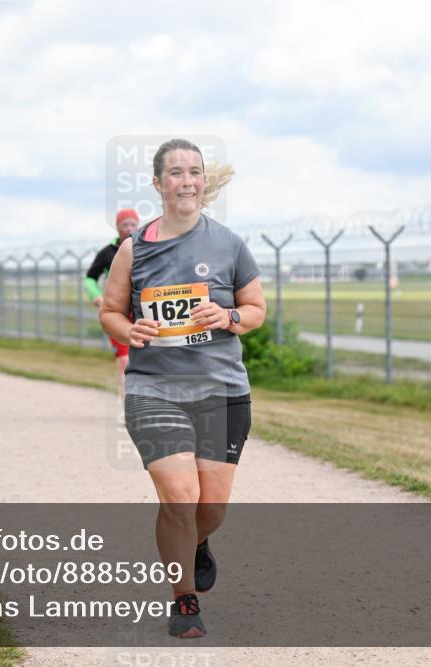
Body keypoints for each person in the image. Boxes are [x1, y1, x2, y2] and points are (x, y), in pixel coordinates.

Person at [99, 139, 266, 638]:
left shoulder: (231, 244)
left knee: (209, 508)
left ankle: (196, 543)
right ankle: (185, 599)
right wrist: (129, 331)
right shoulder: (135, 248)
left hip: (221, 390)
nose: (186, 181)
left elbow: (256, 309)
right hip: (156, 389)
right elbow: (109, 310)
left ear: (203, 181)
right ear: (158, 184)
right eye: (175, 173)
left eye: (194, 171)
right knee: (179, 496)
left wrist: (230, 316)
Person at [85, 209, 140, 394]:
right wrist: (97, 296)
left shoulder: (145, 246)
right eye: (125, 224)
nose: (129, 228)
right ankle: (126, 401)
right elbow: (90, 278)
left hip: (143, 310)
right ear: (117, 227)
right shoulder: (107, 253)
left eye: (133, 224)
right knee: (125, 360)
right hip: (120, 312)